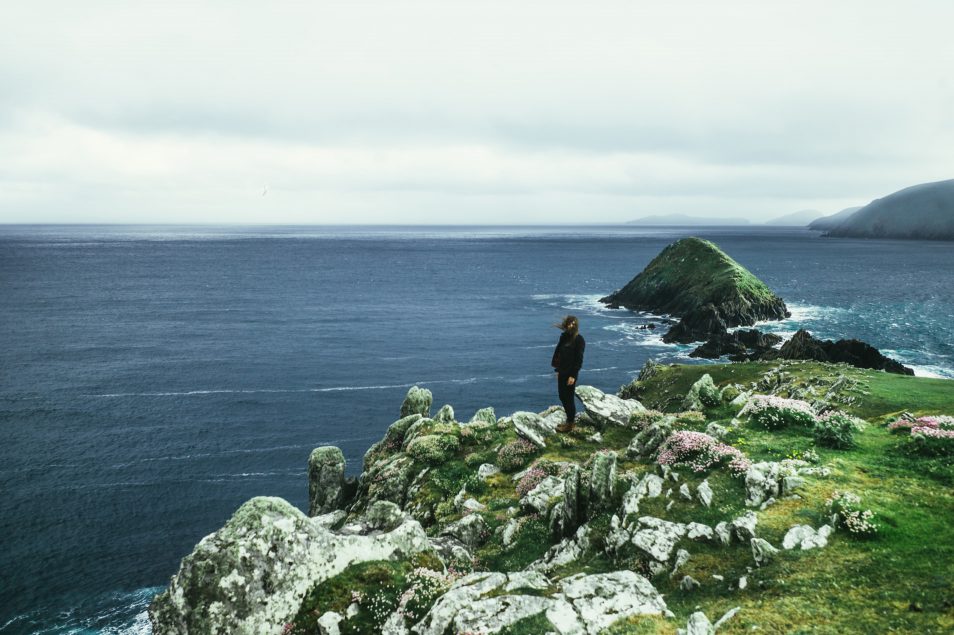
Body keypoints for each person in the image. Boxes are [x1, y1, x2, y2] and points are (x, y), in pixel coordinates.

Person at [551, 315, 585, 433]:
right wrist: (558, 371)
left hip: (570, 374)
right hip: (562, 372)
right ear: (566, 324)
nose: (571, 325)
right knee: (562, 396)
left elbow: (578, 360)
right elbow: (559, 354)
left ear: (576, 326)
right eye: (570, 323)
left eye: (573, 324)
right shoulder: (564, 337)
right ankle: (569, 421)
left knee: (568, 398)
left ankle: (570, 424)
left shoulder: (579, 340)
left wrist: (573, 376)